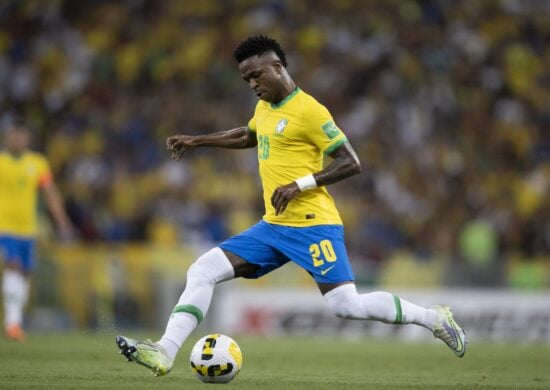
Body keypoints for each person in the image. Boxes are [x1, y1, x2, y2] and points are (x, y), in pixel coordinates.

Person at [116, 35, 466, 376]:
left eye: (256, 75)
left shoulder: (310, 111)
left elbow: (351, 162)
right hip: (273, 226)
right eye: (246, 79)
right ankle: (164, 351)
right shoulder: (265, 107)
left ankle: (435, 319)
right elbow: (249, 135)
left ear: (278, 67)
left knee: (346, 305)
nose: (252, 84)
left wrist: (302, 184)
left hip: (314, 224)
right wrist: (198, 140)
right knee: (202, 270)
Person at [0, 124, 73, 341]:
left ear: (27, 140)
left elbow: (50, 194)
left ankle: (15, 319)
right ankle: (12, 323)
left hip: (28, 230)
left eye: (21, 138)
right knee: (13, 266)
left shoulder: (37, 163)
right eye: (13, 138)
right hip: (4, 227)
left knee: (24, 273)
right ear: (6, 140)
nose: (17, 142)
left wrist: (63, 223)